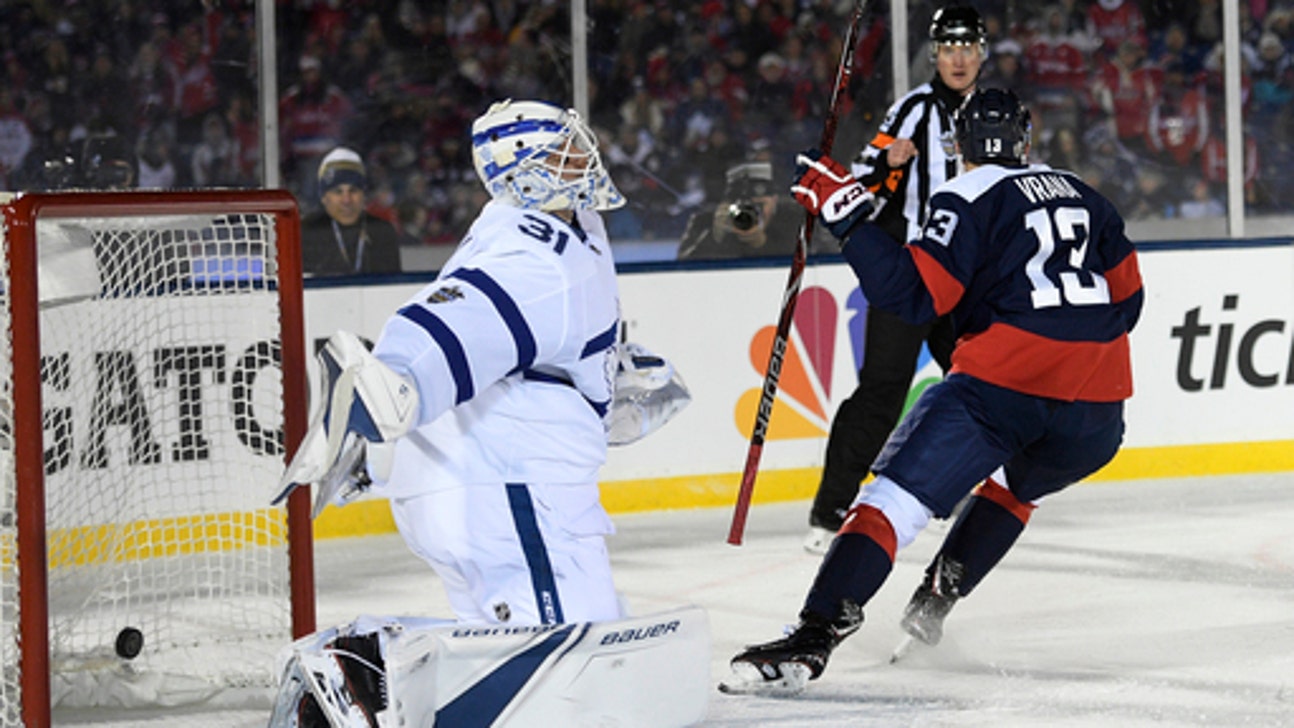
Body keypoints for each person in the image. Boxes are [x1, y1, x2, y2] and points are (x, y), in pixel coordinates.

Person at [270, 99, 702, 725]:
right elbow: (455, 316)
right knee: (567, 673)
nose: (583, 157)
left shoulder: (560, 221)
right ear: (525, 171)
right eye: (563, 150)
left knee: (535, 650)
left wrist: (602, 372)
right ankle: (356, 667)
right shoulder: (534, 256)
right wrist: (396, 384)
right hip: (509, 490)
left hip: (498, 486)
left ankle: (360, 672)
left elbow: (529, 339)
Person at [721, 88, 1143, 696]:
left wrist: (843, 209)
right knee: (1015, 488)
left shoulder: (965, 194)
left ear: (956, 145)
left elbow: (914, 295)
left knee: (892, 504)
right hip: (1099, 408)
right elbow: (1129, 304)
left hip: (1002, 385)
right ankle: (935, 602)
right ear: (1025, 142)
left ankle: (816, 633)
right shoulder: (1082, 190)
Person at [804, 4, 985, 553]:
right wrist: (886, 166)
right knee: (883, 391)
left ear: (982, 52)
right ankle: (832, 505)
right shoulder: (912, 111)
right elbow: (862, 180)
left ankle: (942, 490)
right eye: (948, 48)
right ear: (935, 54)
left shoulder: (994, 114)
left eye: (967, 47)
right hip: (912, 274)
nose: (958, 58)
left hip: (968, 278)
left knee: (977, 390)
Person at [299, 146, 403, 276]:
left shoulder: (382, 231)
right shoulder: (307, 232)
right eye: (338, 192)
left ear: (364, 194)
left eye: (353, 190)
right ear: (324, 197)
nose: (346, 200)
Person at [676, 160, 803, 260]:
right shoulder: (704, 222)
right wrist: (715, 237)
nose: (749, 214)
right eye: (741, 207)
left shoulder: (793, 220)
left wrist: (763, 244)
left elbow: (810, 263)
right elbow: (681, 269)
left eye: (759, 204)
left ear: (775, 200)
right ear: (726, 206)